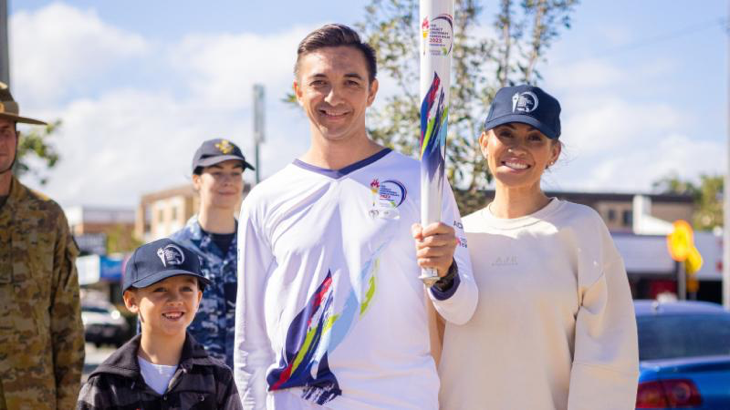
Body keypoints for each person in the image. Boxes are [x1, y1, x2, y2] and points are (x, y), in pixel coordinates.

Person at [234, 24, 478, 409]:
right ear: (298, 92)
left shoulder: (422, 181)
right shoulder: (264, 200)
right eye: (319, 82)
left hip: (399, 398)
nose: (334, 97)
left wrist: (446, 272)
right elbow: (251, 341)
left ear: (372, 92)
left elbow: (463, 308)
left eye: (351, 82)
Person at [438, 85, 639, 409]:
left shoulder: (581, 229)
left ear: (554, 152)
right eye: (506, 133)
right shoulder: (455, 236)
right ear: (484, 143)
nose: (518, 148)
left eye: (534, 138)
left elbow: (610, 356)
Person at [77, 238, 242, 409]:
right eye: (160, 289)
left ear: (198, 298)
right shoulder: (106, 384)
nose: (176, 299)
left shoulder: (217, 379)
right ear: (132, 301)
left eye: (186, 289)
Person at [0, 81, 85, 409]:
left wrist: (65, 403)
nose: (1, 141)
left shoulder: (47, 217)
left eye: (6, 130)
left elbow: (67, 321)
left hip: (33, 397)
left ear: (18, 139)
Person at [170, 138, 254, 369]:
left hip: (246, 389)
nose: (228, 181)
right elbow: (152, 329)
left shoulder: (257, 246)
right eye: (217, 173)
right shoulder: (173, 252)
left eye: (236, 173)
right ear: (197, 180)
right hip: (189, 387)